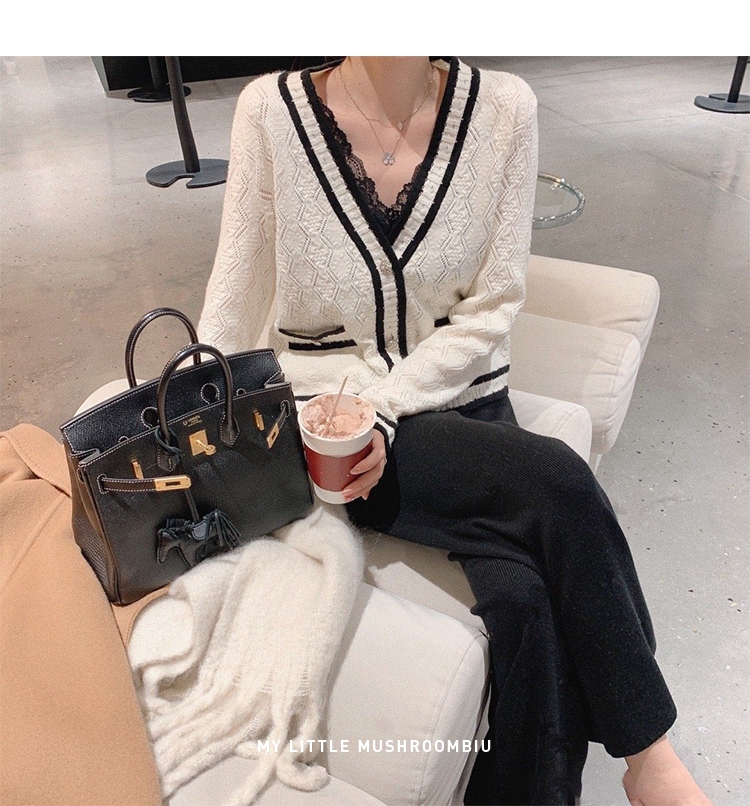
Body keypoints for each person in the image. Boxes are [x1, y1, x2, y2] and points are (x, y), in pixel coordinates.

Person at [197, 56, 713, 806]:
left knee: (526, 599)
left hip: (461, 402)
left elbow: (494, 303)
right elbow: (232, 295)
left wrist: (390, 404)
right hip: (334, 428)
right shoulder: (269, 113)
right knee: (558, 478)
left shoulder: (504, 109)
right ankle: (650, 755)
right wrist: (205, 420)